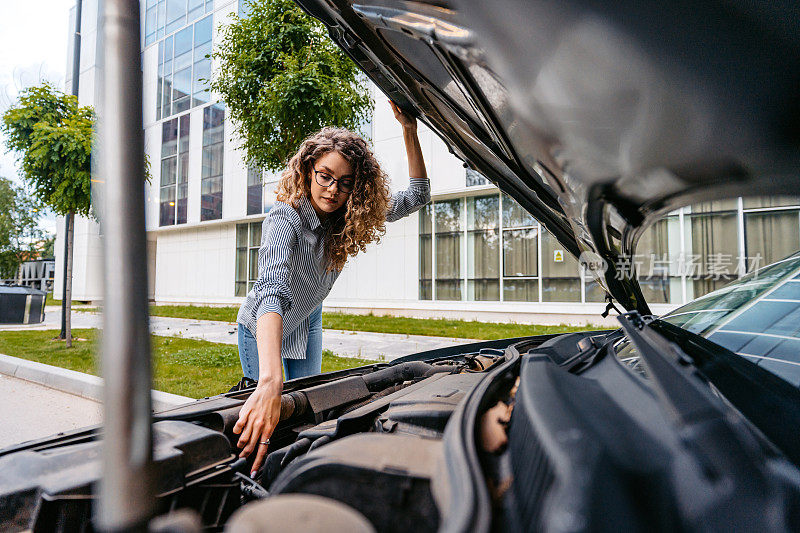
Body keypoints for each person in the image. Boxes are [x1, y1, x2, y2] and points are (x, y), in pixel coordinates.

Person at [233, 102, 430, 477]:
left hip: (306, 320)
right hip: (263, 325)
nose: (332, 189)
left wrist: (409, 130)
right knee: (269, 414)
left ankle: (299, 474)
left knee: (308, 412)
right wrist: (271, 380)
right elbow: (271, 290)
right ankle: (255, 477)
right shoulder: (284, 217)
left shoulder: (349, 213)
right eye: (324, 175)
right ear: (308, 170)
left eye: (345, 182)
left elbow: (417, 196)